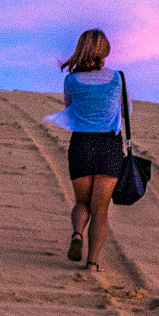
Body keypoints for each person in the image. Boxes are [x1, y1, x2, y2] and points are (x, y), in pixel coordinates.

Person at [43, 28, 124, 270]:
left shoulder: (71, 80)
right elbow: (126, 112)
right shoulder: (118, 78)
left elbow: (70, 109)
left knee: (82, 203)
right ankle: (92, 263)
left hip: (81, 145)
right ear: (104, 52)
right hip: (109, 145)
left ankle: (77, 234)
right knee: (100, 209)